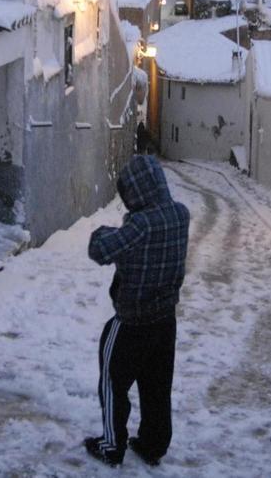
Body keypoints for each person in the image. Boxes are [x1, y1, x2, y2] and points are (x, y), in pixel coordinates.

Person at [84, 154, 190, 467]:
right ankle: (153, 444)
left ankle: (111, 446)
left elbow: (100, 250)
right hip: (165, 320)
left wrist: (103, 231)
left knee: (112, 382)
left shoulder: (140, 225)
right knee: (157, 386)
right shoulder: (180, 214)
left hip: (132, 322)